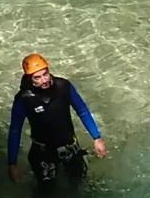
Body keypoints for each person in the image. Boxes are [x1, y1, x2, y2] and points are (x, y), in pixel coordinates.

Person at [7, 53, 107, 186]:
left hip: (69, 146)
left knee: (80, 183)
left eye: (45, 74)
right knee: (47, 191)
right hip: (42, 152)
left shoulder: (63, 87)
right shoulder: (24, 99)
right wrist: (12, 163)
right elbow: (15, 130)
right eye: (38, 77)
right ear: (30, 78)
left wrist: (96, 138)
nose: (44, 80)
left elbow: (82, 110)